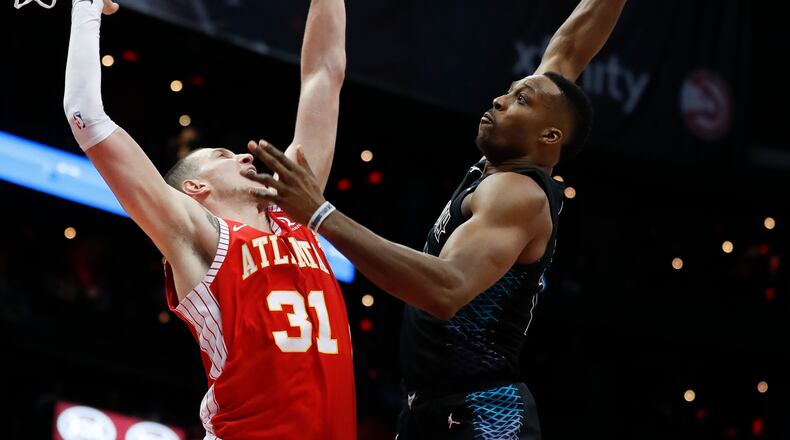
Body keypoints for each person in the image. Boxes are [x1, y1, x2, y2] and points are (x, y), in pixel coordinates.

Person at [244, 0, 627, 438]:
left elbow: (445, 289)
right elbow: (570, 48)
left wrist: (320, 213)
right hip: (434, 407)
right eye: (509, 89)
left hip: (483, 415)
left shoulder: (516, 193)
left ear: (550, 136)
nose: (501, 99)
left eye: (521, 99)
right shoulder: (501, 170)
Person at [62, 0, 354, 438]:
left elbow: (324, 76)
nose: (241, 154)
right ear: (196, 190)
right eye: (221, 155)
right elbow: (86, 117)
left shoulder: (297, 211)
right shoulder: (198, 234)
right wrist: (84, 10)